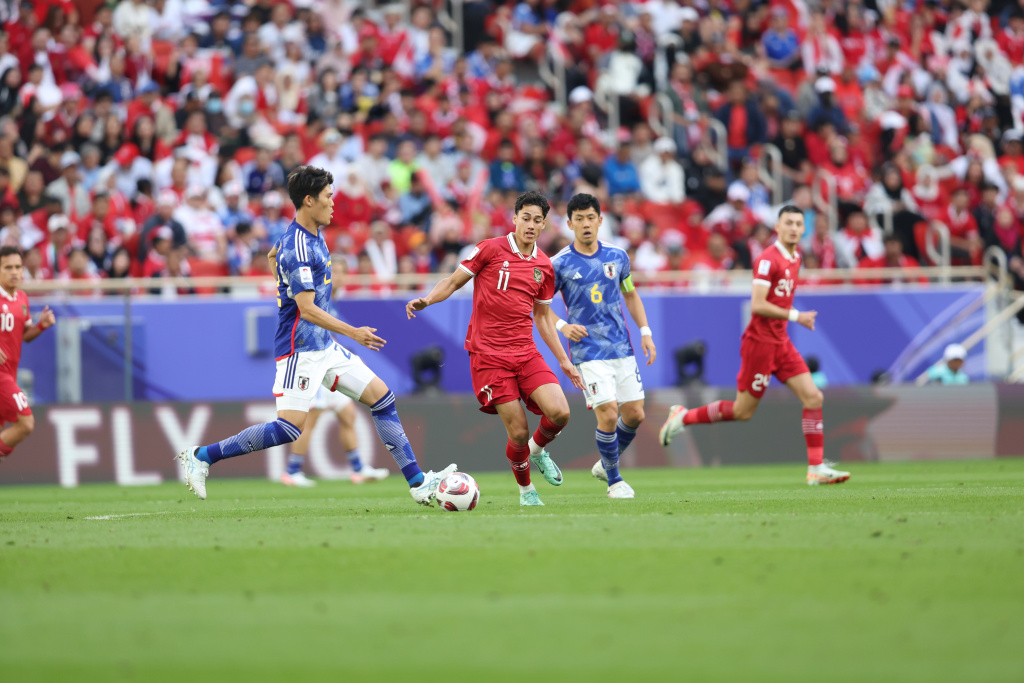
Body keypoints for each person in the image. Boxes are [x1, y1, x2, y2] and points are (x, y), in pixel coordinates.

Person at [176, 166, 455, 504]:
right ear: (309, 201)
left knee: (382, 398)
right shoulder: (298, 247)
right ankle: (202, 456)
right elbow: (306, 309)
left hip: (323, 346)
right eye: (327, 197)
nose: (333, 203)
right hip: (299, 350)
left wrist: (278, 273)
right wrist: (354, 332)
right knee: (289, 428)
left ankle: (418, 482)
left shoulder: (309, 235)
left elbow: (276, 262)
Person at [405, 191, 586, 506]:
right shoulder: (489, 249)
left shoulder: (543, 265)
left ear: (544, 225)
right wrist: (428, 299)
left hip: (525, 351)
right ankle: (527, 491)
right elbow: (453, 281)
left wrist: (564, 360)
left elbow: (542, 316)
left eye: (537, 220)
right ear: (514, 218)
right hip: (489, 356)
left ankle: (538, 451)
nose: (530, 225)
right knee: (517, 431)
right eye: (525, 218)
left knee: (560, 412)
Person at [658, 206, 851, 486]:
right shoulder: (767, 259)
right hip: (760, 345)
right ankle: (683, 417)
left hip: (781, 343)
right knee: (742, 411)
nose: (794, 228)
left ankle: (816, 468)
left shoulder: (796, 257)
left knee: (813, 397)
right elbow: (758, 304)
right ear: (778, 226)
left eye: (799, 223)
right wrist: (797, 316)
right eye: (789, 223)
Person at [548, 194, 657, 499]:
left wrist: (645, 332)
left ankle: (604, 462)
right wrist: (563, 326)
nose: (585, 223)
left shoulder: (618, 256)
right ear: (569, 223)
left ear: (600, 220)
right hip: (587, 351)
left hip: (621, 346)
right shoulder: (559, 264)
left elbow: (631, 295)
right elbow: (539, 307)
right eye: (579, 218)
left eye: (590, 217)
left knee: (635, 414)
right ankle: (614, 480)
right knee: (608, 414)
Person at [0, 246, 55, 462]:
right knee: (26, 423)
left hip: (10, 374)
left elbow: (24, 336)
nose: (15, 272)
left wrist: (41, 325)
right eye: (8, 267)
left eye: (18, 267)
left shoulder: (21, 298)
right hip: (1, 377)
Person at [281, 385, 390, 487]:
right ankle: (292, 471)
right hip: (319, 380)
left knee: (348, 416)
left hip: (334, 378)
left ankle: (358, 469)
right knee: (308, 424)